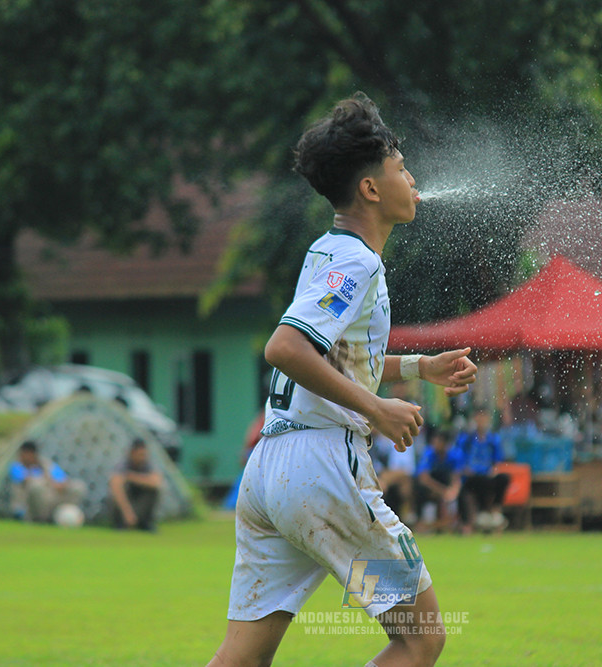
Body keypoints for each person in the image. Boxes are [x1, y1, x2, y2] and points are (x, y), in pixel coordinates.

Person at [207, 93, 477, 667]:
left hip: (271, 473)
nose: (412, 178)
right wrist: (377, 409)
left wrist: (417, 367)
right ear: (371, 189)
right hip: (323, 473)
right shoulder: (358, 261)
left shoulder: (328, 251)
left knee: (242, 657)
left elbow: (333, 355)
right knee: (421, 639)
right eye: (401, 167)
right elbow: (286, 348)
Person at [456, 408, 510, 533]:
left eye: (484, 417)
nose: (481, 420)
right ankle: (477, 517)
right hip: (471, 477)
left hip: (487, 475)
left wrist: (494, 470)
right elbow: (460, 459)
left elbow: (498, 461)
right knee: (477, 483)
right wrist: (465, 469)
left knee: (503, 478)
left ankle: (495, 513)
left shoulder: (493, 439)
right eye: (479, 417)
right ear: (474, 419)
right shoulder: (467, 439)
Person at [9, 440, 86, 523]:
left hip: (52, 496)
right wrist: (49, 482)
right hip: (28, 503)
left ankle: (66, 514)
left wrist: (60, 485)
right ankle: (39, 519)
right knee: (36, 486)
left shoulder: (46, 464)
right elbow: (26, 481)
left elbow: (63, 480)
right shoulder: (16, 466)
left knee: (78, 486)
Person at [414, 429, 464, 533]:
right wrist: (443, 492)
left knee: (463, 492)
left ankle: (461, 523)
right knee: (417, 489)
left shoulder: (455, 455)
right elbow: (423, 478)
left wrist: (453, 492)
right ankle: (420, 521)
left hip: (447, 484)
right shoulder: (428, 453)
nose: (435, 444)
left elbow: (457, 477)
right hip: (431, 488)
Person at [109, 437, 163, 532]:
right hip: (126, 505)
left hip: (139, 503)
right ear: (132, 453)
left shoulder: (147, 465)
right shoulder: (123, 465)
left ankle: (145, 522)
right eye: (140, 454)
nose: (143, 457)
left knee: (155, 490)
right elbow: (115, 486)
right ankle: (120, 522)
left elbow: (157, 482)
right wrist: (127, 512)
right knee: (118, 490)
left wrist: (132, 477)